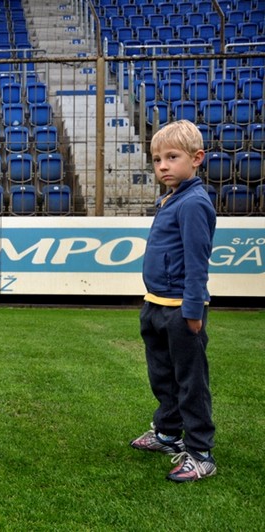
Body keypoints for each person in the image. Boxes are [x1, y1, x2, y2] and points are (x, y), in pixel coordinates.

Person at [129, 120, 217, 483]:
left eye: (172, 157)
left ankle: (200, 452)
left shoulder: (193, 203)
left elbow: (197, 262)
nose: (163, 166)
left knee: (190, 382)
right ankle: (167, 432)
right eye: (157, 159)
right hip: (156, 304)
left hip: (181, 309)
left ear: (197, 158)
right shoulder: (171, 198)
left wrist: (192, 310)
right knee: (162, 375)